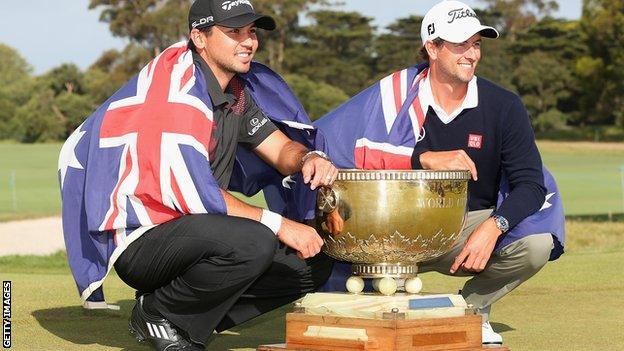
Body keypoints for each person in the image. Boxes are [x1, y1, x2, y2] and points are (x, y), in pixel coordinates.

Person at [58, 1, 336, 350]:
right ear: (199, 37)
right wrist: (280, 224)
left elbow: (281, 151)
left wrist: (308, 155)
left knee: (315, 262)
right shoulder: (176, 94)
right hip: (143, 237)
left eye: (251, 32)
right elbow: (197, 192)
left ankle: (183, 319)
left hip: (195, 231)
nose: (248, 41)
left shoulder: (234, 92)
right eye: (234, 32)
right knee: (255, 241)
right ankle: (159, 312)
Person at [314, 0, 565, 345]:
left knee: (536, 244)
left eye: (476, 44)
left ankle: (470, 311)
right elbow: (344, 147)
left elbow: (531, 185)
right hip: (390, 226)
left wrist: (494, 226)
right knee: (353, 330)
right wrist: (424, 158)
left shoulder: (503, 105)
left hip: (464, 229)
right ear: (432, 47)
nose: (472, 54)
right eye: (460, 44)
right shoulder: (395, 100)